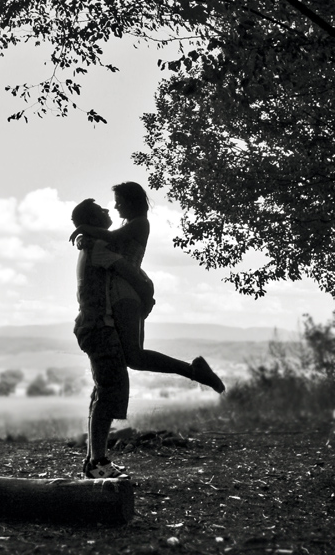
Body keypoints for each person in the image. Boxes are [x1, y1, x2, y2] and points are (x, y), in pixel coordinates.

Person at [71, 182, 225, 393]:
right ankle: (193, 371)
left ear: (131, 201)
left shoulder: (140, 223)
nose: (115, 207)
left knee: (134, 356)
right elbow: (106, 240)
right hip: (127, 293)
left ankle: (193, 371)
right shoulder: (131, 224)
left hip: (124, 293)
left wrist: (83, 230)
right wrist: (84, 237)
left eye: (119, 202)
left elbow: (112, 238)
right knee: (135, 358)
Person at [72, 198, 154, 480]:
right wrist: (148, 292)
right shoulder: (98, 246)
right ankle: (97, 463)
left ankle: (94, 460)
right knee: (108, 394)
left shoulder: (91, 243)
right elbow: (130, 271)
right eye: (101, 211)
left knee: (102, 393)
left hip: (93, 326)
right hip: (99, 327)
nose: (109, 211)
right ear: (93, 221)